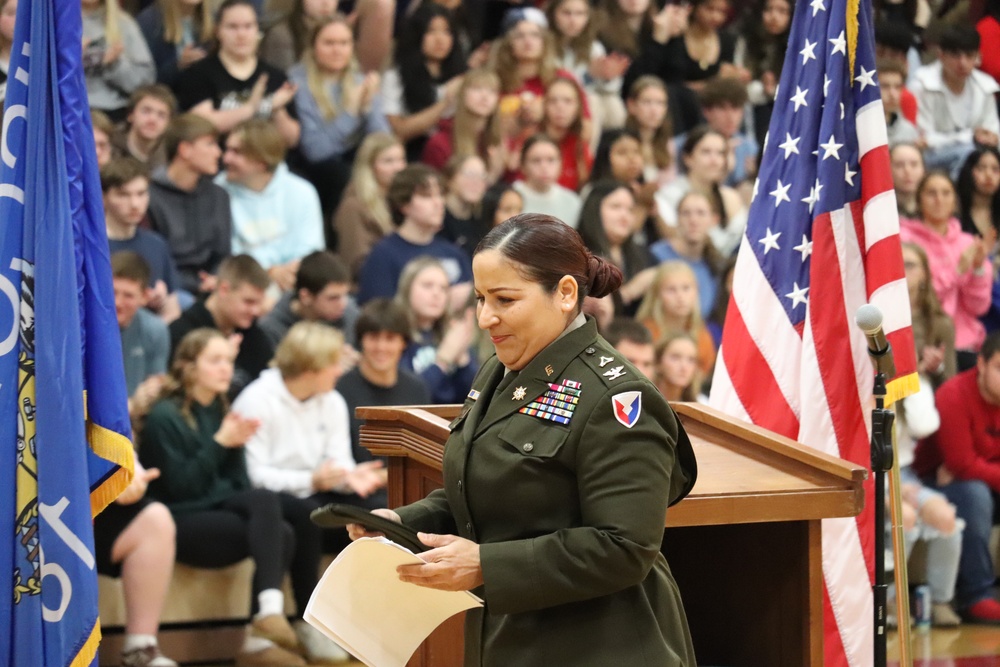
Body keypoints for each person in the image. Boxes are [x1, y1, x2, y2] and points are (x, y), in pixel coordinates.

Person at [347, 213, 697, 666]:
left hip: (602, 644)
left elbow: (625, 547)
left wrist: (485, 565)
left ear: (566, 294)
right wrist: (399, 524)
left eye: (505, 299)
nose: (484, 317)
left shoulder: (618, 397)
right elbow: (491, 490)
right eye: (479, 298)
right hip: (513, 638)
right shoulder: (500, 367)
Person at [140, 329, 315, 666]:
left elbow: (239, 483)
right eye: (215, 361)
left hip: (211, 510)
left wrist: (226, 450)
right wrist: (220, 443)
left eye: (229, 362)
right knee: (273, 524)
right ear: (190, 367)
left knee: (275, 515)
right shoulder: (165, 417)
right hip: (177, 520)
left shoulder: (222, 409)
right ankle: (262, 627)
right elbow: (182, 487)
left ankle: (265, 621)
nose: (226, 369)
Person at [233, 322, 387, 548]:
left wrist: (347, 477)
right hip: (274, 499)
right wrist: (311, 480)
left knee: (382, 510)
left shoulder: (332, 401)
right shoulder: (256, 401)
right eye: (333, 363)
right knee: (306, 514)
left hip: (319, 491)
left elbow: (337, 459)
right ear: (310, 368)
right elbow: (255, 476)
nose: (339, 370)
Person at [912, 331, 1000, 624]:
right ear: (982, 364)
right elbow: (961, 463)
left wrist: (978, 466)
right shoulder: (954, 394)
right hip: (930, 481)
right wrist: (976, 466)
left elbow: (969, 464)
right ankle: (976, 596)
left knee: (979, 488)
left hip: (982, 478)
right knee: (975, 494)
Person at [172, 0, 299, 148]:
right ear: (217, 31)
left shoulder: (275, 76)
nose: (241, 34)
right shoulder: (199, 73)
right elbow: (203, 125)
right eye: (232, 27)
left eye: (248, 26)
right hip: (219, 163)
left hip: (266, 164)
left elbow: (292, 139)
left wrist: (277, 110)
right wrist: (263, 106)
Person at [215, 119, 325, 289]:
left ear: (261, 163)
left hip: (294, 281)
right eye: (227, 149)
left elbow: (311, 249)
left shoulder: (302, 192)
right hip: (242, 282)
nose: (225, 158)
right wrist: (270, 272)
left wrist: (290, 273)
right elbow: (226, 252)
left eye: (236, 152)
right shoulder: (217, 191)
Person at [899, 171, 992, 370]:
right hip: (922, 337)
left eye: (946, 193)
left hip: (966, 341)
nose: (939, 199)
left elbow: (979, 307)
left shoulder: (968, 243)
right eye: (931, 193)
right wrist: (958, 270)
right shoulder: (905, 241)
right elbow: (916, 294)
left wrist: (977, 270)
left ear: (955, 201)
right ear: (919, 199)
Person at [355, 164, 473, 306]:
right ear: (404, 204)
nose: (438, 203)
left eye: (440, 194)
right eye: (427, 196)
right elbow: (377, 315)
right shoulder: (383, 255)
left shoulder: (454, 254)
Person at [336, 299, 431, 464]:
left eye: (390, 338)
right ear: (361, 341)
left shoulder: (417, 389)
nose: (381, 347)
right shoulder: (340, 389)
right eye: (373, 337)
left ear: (403, 342)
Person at [147, 113, 231, 300]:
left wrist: (216, 279)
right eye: (210, 144)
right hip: (169, 289)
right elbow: (154, 257)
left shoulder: (219, 196)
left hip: (214, 287)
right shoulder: (149, 195)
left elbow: (223, 254)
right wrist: (197, 285)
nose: (218, 153)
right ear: (185, 150)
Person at [169, 254, 274, 397]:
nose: (255, 311)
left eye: (258, 303)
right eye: (248, 302)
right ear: (224, 290)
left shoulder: (254, 335)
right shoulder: (182, 333)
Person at [381, 3, 466, 161]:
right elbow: (399, 131)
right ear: (417, 34)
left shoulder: (461, 75)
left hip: (455, 153)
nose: (440, 39)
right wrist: (445, 102)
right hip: (414, 154)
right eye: (431, 31)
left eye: (447, 32)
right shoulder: (395, 77)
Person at [911, 24, 1000, 175]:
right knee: (967, 153)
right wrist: (969, 137)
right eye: (955, 55)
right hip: (930, 162)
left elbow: (992, 133)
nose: (962, 63)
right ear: (941, 55)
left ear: (978, 57)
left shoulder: (986, 87)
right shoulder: (922, 84)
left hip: (976, 162)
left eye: (969, 56)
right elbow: (923, 140)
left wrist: (990, 138)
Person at [103, 157, 183, 323]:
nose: (135, 204)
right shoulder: (91, 247)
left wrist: (159, 304)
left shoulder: (156, 244)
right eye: (123, 195)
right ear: (103, 198)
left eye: (141, 193)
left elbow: (172, 310)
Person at [395, 256, 478, 404]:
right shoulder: (395, 337)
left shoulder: (451, 334)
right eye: (427, 286)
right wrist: (443, 361)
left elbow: (475, 398)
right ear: (407, 289)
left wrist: (462, 358)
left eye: (444, 288)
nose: (436, 293)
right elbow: (407, 397)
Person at [332, 132, 407, 275]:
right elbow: (356, 264)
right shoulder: (353, 206)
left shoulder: (403, 201)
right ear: (369, 167)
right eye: (388, 161)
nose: (398, 167)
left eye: (401, 159)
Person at [258, 252, 358, 354]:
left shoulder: (350, 314)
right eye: (333, 298)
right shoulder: (272, 331)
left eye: (345, 295)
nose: (343, 304)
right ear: (305, 297)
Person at [81, 0, 156, 121]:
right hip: (67, 108)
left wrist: (115, 65)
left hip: (112, 112)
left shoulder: (124, 24)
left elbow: (145, 83)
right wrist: (68, 61)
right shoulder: (54, 24)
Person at [137, 0, 214, 87]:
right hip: (166, 96)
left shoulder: (215, 19)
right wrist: (179, 65)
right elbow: (145, 82)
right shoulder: (149, 22)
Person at [512, 134, 582, 226]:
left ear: (561, 163)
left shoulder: (572, 202)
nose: (544, 167)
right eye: (536, 160)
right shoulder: (510, 196)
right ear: (523, 165)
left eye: (551, 160)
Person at [111, 84, 177, 171]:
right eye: (146, 111)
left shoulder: (173, 155)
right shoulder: (108, 146)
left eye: (161, 115)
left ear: (168, 123)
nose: (153, 120)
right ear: (130, 115)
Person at [878, 58, 920, 148]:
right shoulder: (860, 130)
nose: (893, 94)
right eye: (885, 86)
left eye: (897, 87)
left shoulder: (908, 131)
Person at [653, 331, 704, 402]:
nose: (684, 367)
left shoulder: (702, 405)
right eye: (675, 357)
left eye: (691, 360)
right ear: (658, 362)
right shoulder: (641, 400)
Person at [892, 142, 925, 219]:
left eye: (914, 164)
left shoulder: (935, 209)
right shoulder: (880, 209)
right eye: (899, 165)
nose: (907, 171)